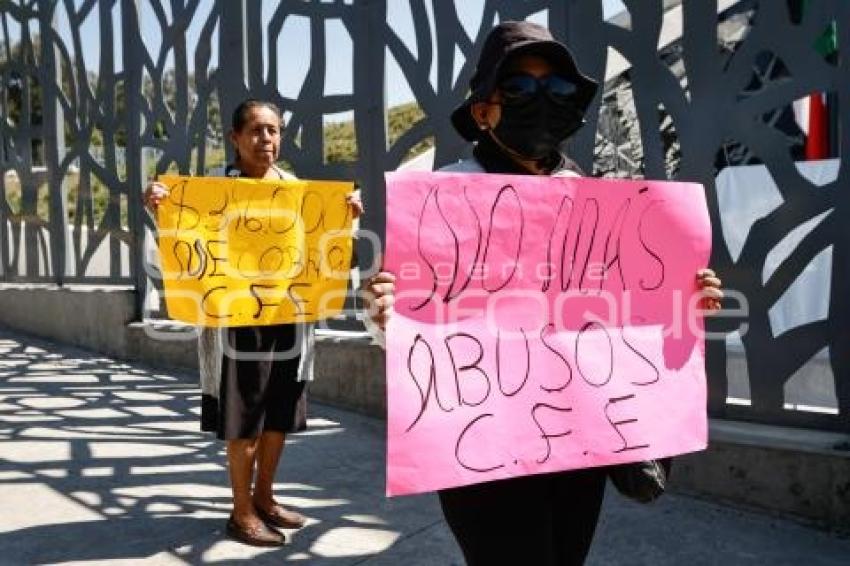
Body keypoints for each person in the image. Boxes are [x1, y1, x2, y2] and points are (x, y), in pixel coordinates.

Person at [363, 21, 723, 565]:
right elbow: (409, 326)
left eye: (557, 90)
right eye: (521, 90)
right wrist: (382, 315)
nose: (542, 103)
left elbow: (629, 316)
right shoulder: (444, 202)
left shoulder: (598, 200)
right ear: (483, 111)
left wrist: (686, 298)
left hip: (576, 438)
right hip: (481, 440)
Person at [144, 99, 364, 547]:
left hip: (291, 317)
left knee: (280, 413)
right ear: (236, 138)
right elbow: (185, 240)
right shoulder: (211, 194)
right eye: (258, 131)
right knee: (243, 418)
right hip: (237, 323)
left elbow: (327, 250)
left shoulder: (300, 192)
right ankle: (240, 511)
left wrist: (349, 218)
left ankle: (264, 498)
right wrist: (159, 207)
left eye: (275, 131)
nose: (268, 139)